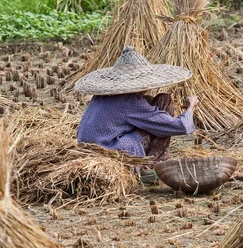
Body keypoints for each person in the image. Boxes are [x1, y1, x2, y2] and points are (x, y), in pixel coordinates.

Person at [76, 46, 198, 175]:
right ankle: (151, 166)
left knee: (153, 100)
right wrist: (191, 107)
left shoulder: (101, 95)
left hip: (85, 148)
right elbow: (182, 126)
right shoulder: (130, 102)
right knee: (164, 103)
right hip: (110, 151)